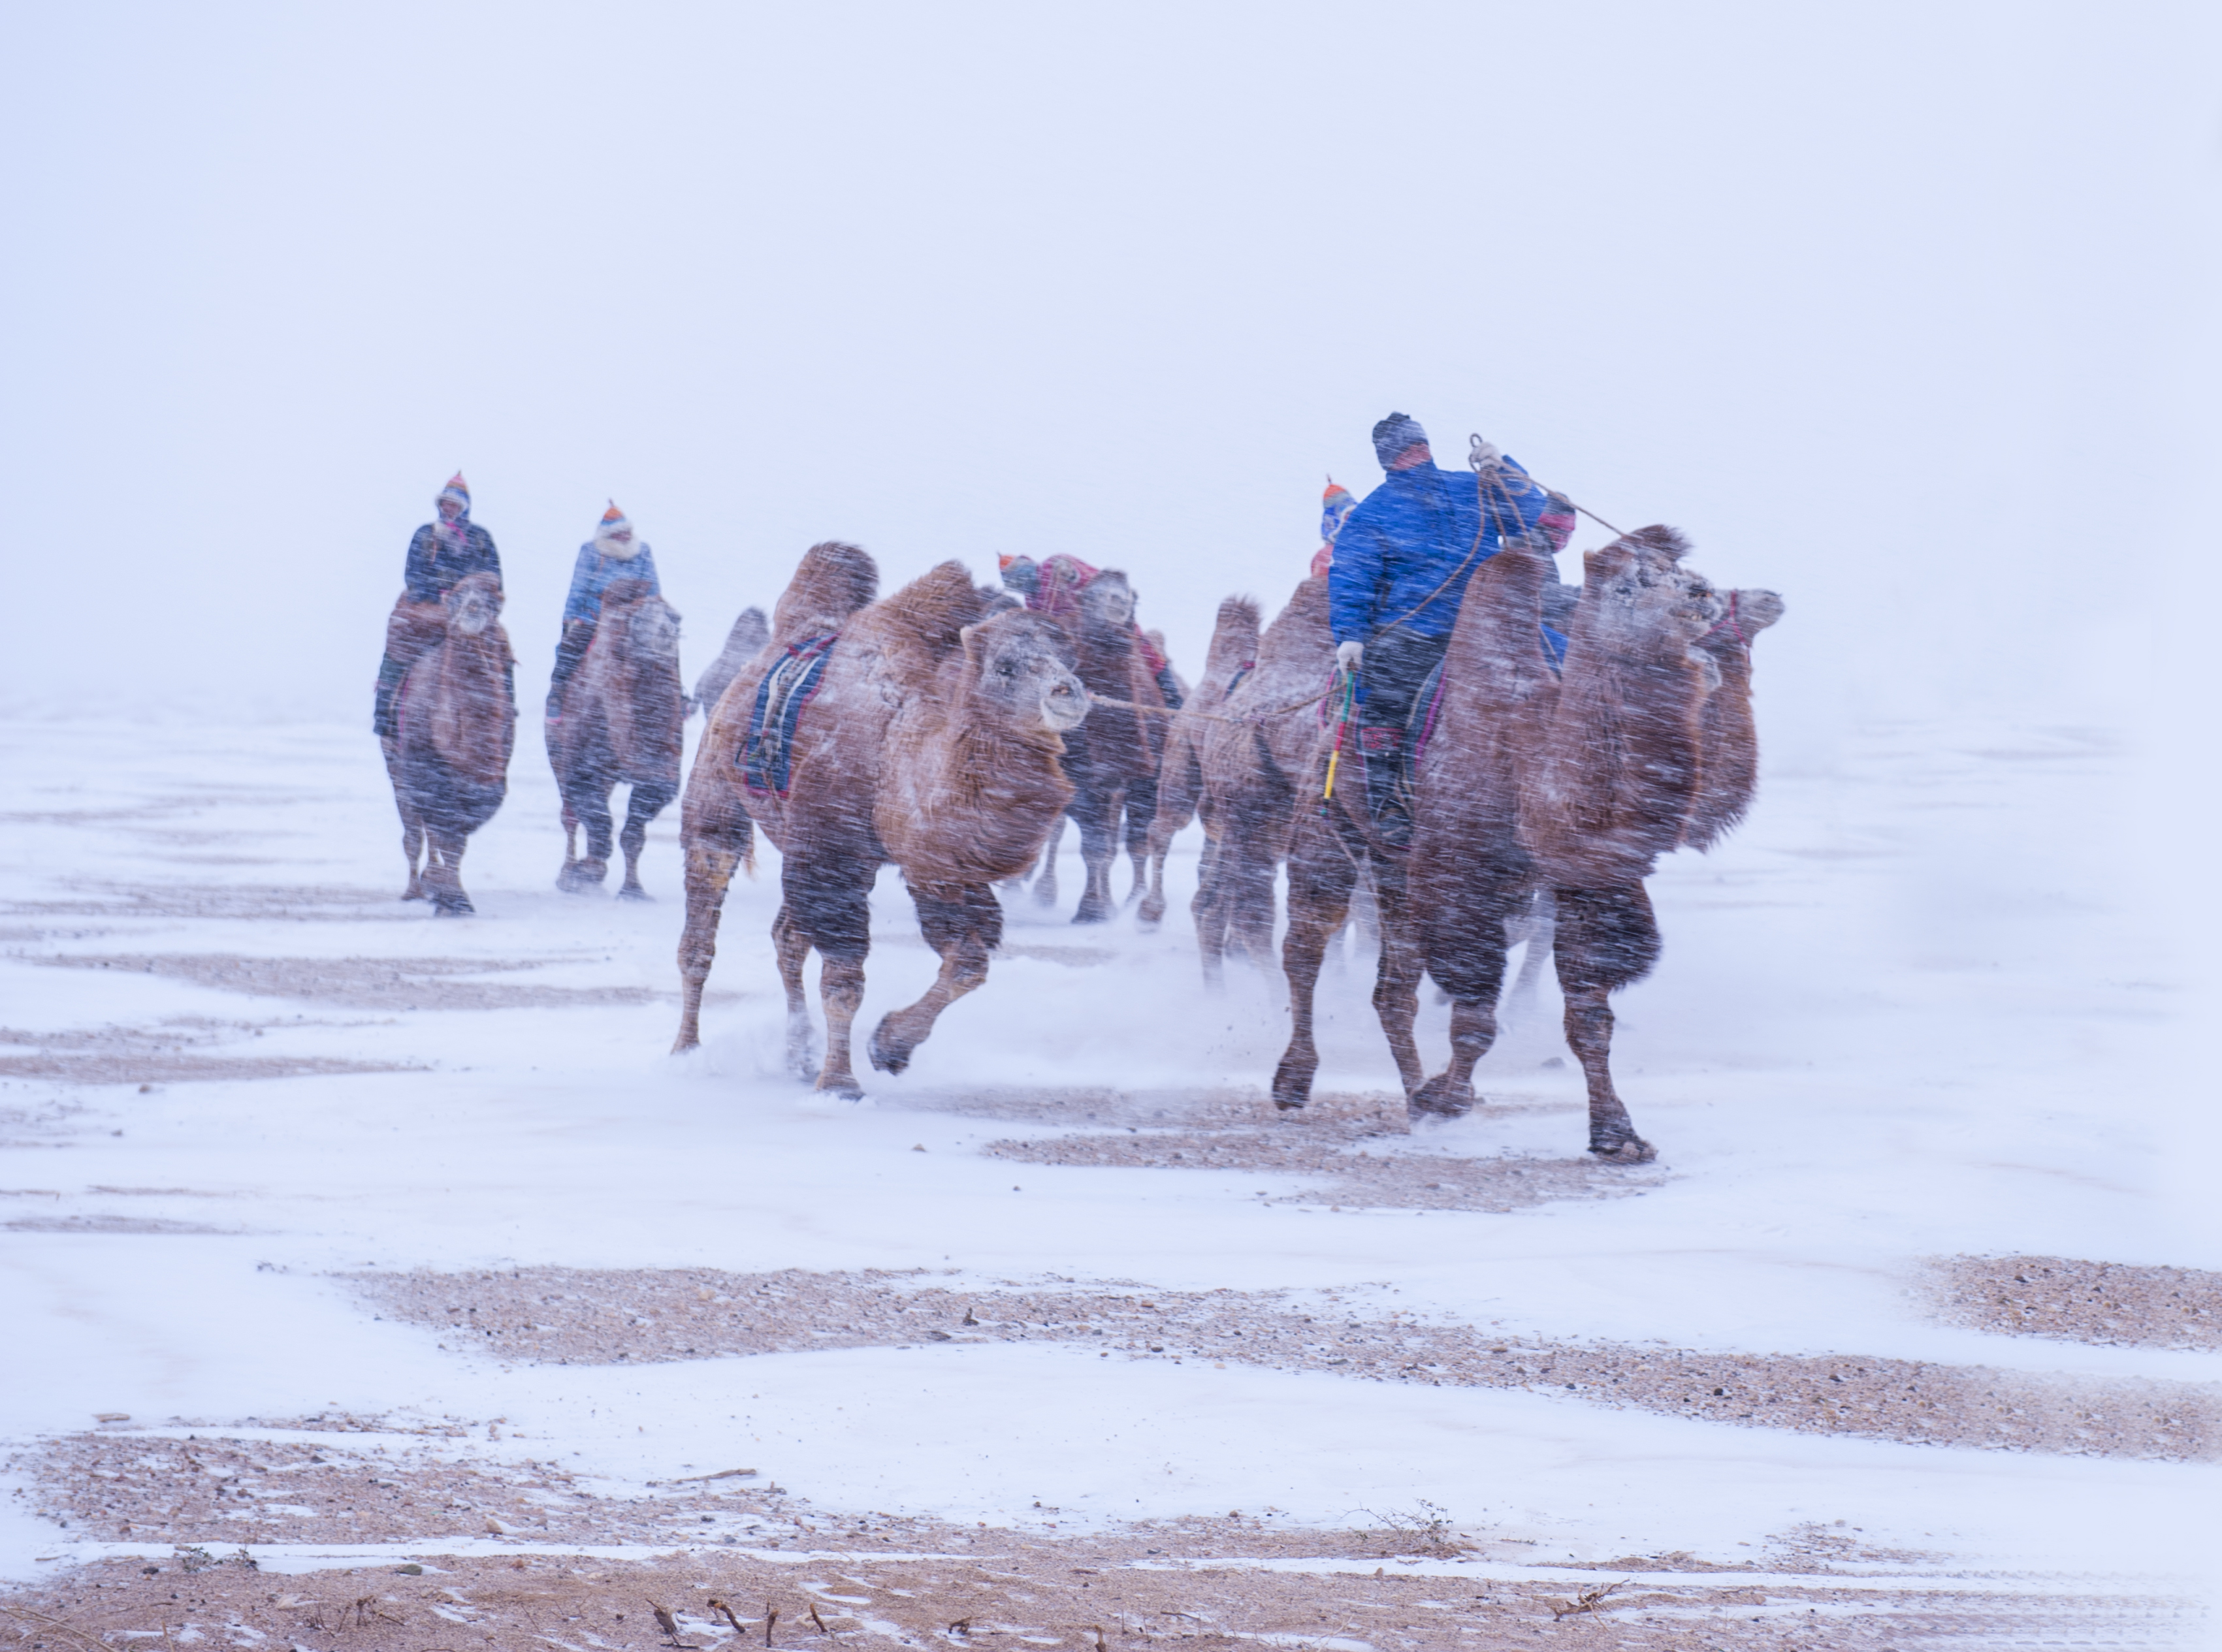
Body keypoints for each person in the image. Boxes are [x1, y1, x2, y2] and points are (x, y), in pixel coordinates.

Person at [1327, 412, 1557, 842]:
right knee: (1388, 697)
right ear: (1389, 459)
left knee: (1563, 659)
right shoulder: (1372, 515)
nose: (1419, 452)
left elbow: (1530, 513)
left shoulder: (1470, 487)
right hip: (1414, 632)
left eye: (1422, 444)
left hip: (1489, 624)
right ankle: (1389, 803)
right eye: (1408, 448)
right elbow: (1351, 577)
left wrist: (1506, 469)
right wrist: (1352, 637)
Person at [374, 473, 502, 739]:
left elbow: (493, 577)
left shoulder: (480, 538)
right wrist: (435, 593)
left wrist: (470, 596)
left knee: (500, 644)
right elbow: (412, 574)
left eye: (454, 504)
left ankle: (505, 706)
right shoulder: (425, 534)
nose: (449, 508)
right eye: (445, 503)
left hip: (469, 609)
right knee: (399, 633)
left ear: (464, 506)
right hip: (430, 606)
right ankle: (384, 709)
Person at [547, 501, 664, 720]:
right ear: (609, 535)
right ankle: (558, 691)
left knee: (665, 646)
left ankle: (675, 695)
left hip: (636, 618)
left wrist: (653, 613)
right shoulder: (592, 552)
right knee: (573, 644)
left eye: (627, 531)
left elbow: (653, 588)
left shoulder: (643, 551)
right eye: (619, 533)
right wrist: (569, 621)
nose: (625, 536)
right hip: (597, 617)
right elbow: (578, 587)